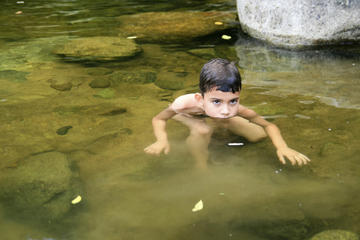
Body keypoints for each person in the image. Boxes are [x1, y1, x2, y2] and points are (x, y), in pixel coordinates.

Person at [144, 58, 310, 169]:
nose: (226, 110)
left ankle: (219, 126)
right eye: (217, 101)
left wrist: (283, 147)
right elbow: (158, 119)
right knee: (203, 130)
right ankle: (200, 166)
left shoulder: (236, 110)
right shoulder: (183, 105)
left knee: (257, 135)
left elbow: (268, 126)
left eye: (233, 101)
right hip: (190, 115)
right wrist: (161, 140)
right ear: (200, 98)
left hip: (209, 114)